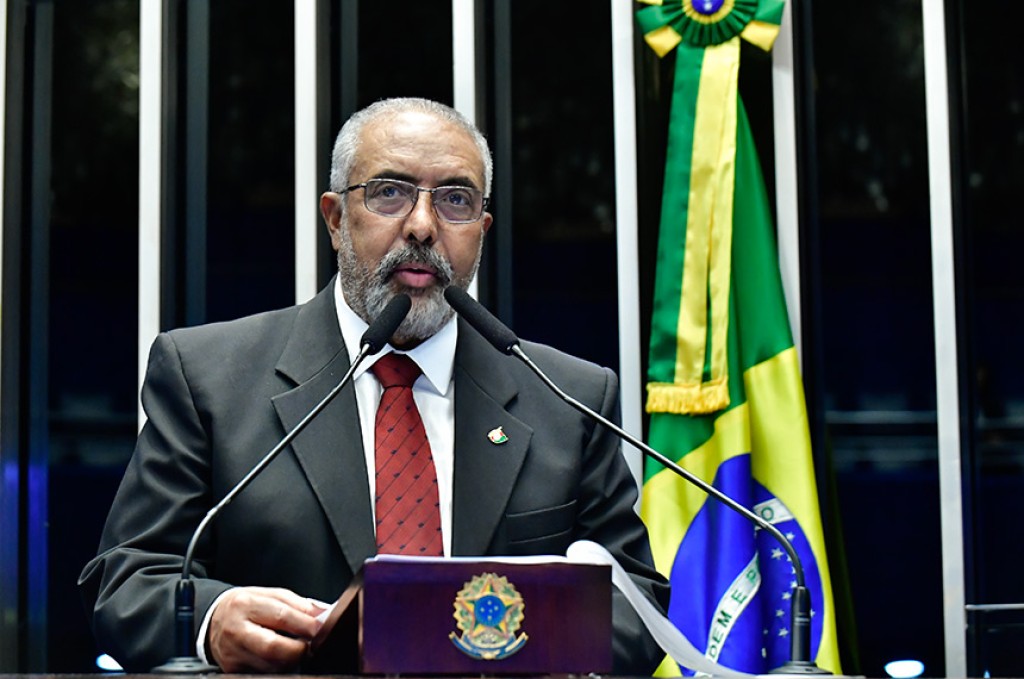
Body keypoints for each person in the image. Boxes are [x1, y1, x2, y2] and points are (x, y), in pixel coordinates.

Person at [79, 97, 669, 674]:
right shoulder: (209, 376)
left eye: (455, 199)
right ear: (336, 219)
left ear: (482, 229)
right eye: (390, 192)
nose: (422, 226)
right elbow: (128, 579)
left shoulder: (568, 397)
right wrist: (211, 620)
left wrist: (539, 646)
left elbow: (637, 604)